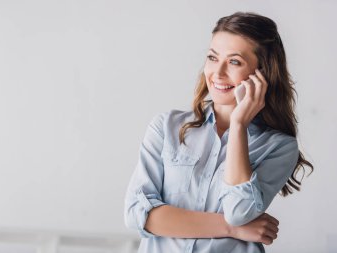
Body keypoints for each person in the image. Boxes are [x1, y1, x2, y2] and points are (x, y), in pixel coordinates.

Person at [124, 12, 313, 253]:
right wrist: (232, 229)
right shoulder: (166, 127)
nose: (218, 72)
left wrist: (238, 125)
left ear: (262, 73)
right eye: (213, 57)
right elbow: (137, 214)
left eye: (234, 61)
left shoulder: (278, 146)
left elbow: (239, 211)